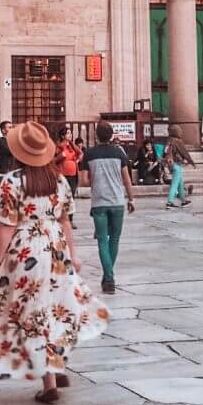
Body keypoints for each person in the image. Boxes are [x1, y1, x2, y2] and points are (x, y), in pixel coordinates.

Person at [0, 120, 108, 404]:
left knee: (33, 313)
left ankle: (49, 379)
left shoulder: (12, 182)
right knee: (57, 308)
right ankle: (57, 363)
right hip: (56, 248)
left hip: (26, 252)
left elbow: (6, 225)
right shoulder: (59, 180)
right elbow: (65, 221)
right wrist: (73, 254)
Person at [82, 120, 135, 294]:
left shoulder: (89, 154)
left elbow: (84, 180)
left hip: (99, 202)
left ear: (96, 135)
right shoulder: (119, 154)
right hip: (117, 201)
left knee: (102, 240)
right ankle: (108, 277)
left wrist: (95, 180)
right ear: (112, 135)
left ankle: (109, 278)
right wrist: (131, 199)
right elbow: (126, 179)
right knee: (115, 239)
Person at [55, 127, 83, 227]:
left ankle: (70, 219)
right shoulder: (58, 146)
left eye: (70, 133)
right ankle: (61, 218)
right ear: (63, 136)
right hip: (63, 174)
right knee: (62, 196)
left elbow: (80, 153)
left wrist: (77, 160)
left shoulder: (72, 145)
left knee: (71, 197)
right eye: (67, 133)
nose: (70, 135)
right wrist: (61, 156)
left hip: (73, 174)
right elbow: (53, 160)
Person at [164, 126, 195, 209]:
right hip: (176, 164)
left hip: (170, 165)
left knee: (180, 183)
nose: (181, 132)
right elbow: (184, 152)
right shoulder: (177, 141)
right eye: (179, 130)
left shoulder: (168, 141)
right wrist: (191, 162)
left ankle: (183, 200)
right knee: (174, 184)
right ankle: (170, 202)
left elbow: (165, 152)